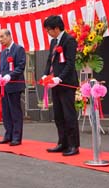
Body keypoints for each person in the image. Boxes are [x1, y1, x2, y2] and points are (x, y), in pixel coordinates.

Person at [41, 15, 80, 156]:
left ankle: (73, 145)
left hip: (66, 83)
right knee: (58, 115)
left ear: (57, 28)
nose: (48, 33)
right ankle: (62, 143)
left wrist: (59, 78)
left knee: (69, 115)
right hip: (54, 84)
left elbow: (70, 63)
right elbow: (49, 61)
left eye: (49, 30)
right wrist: (46, 74)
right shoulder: (53, 42)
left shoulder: (69, 40)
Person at [0, 29, 26, 146]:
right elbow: (1, 69)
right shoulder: (3, 53)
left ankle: (17, 137)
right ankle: (8, 135)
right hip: (4, 87)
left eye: (2, 37)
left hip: (15, 85)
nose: (0, 40)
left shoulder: (18, 49)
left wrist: (9, 76)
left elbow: (20, 66)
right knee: (6, 112)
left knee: (15, 112)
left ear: (9, 36)